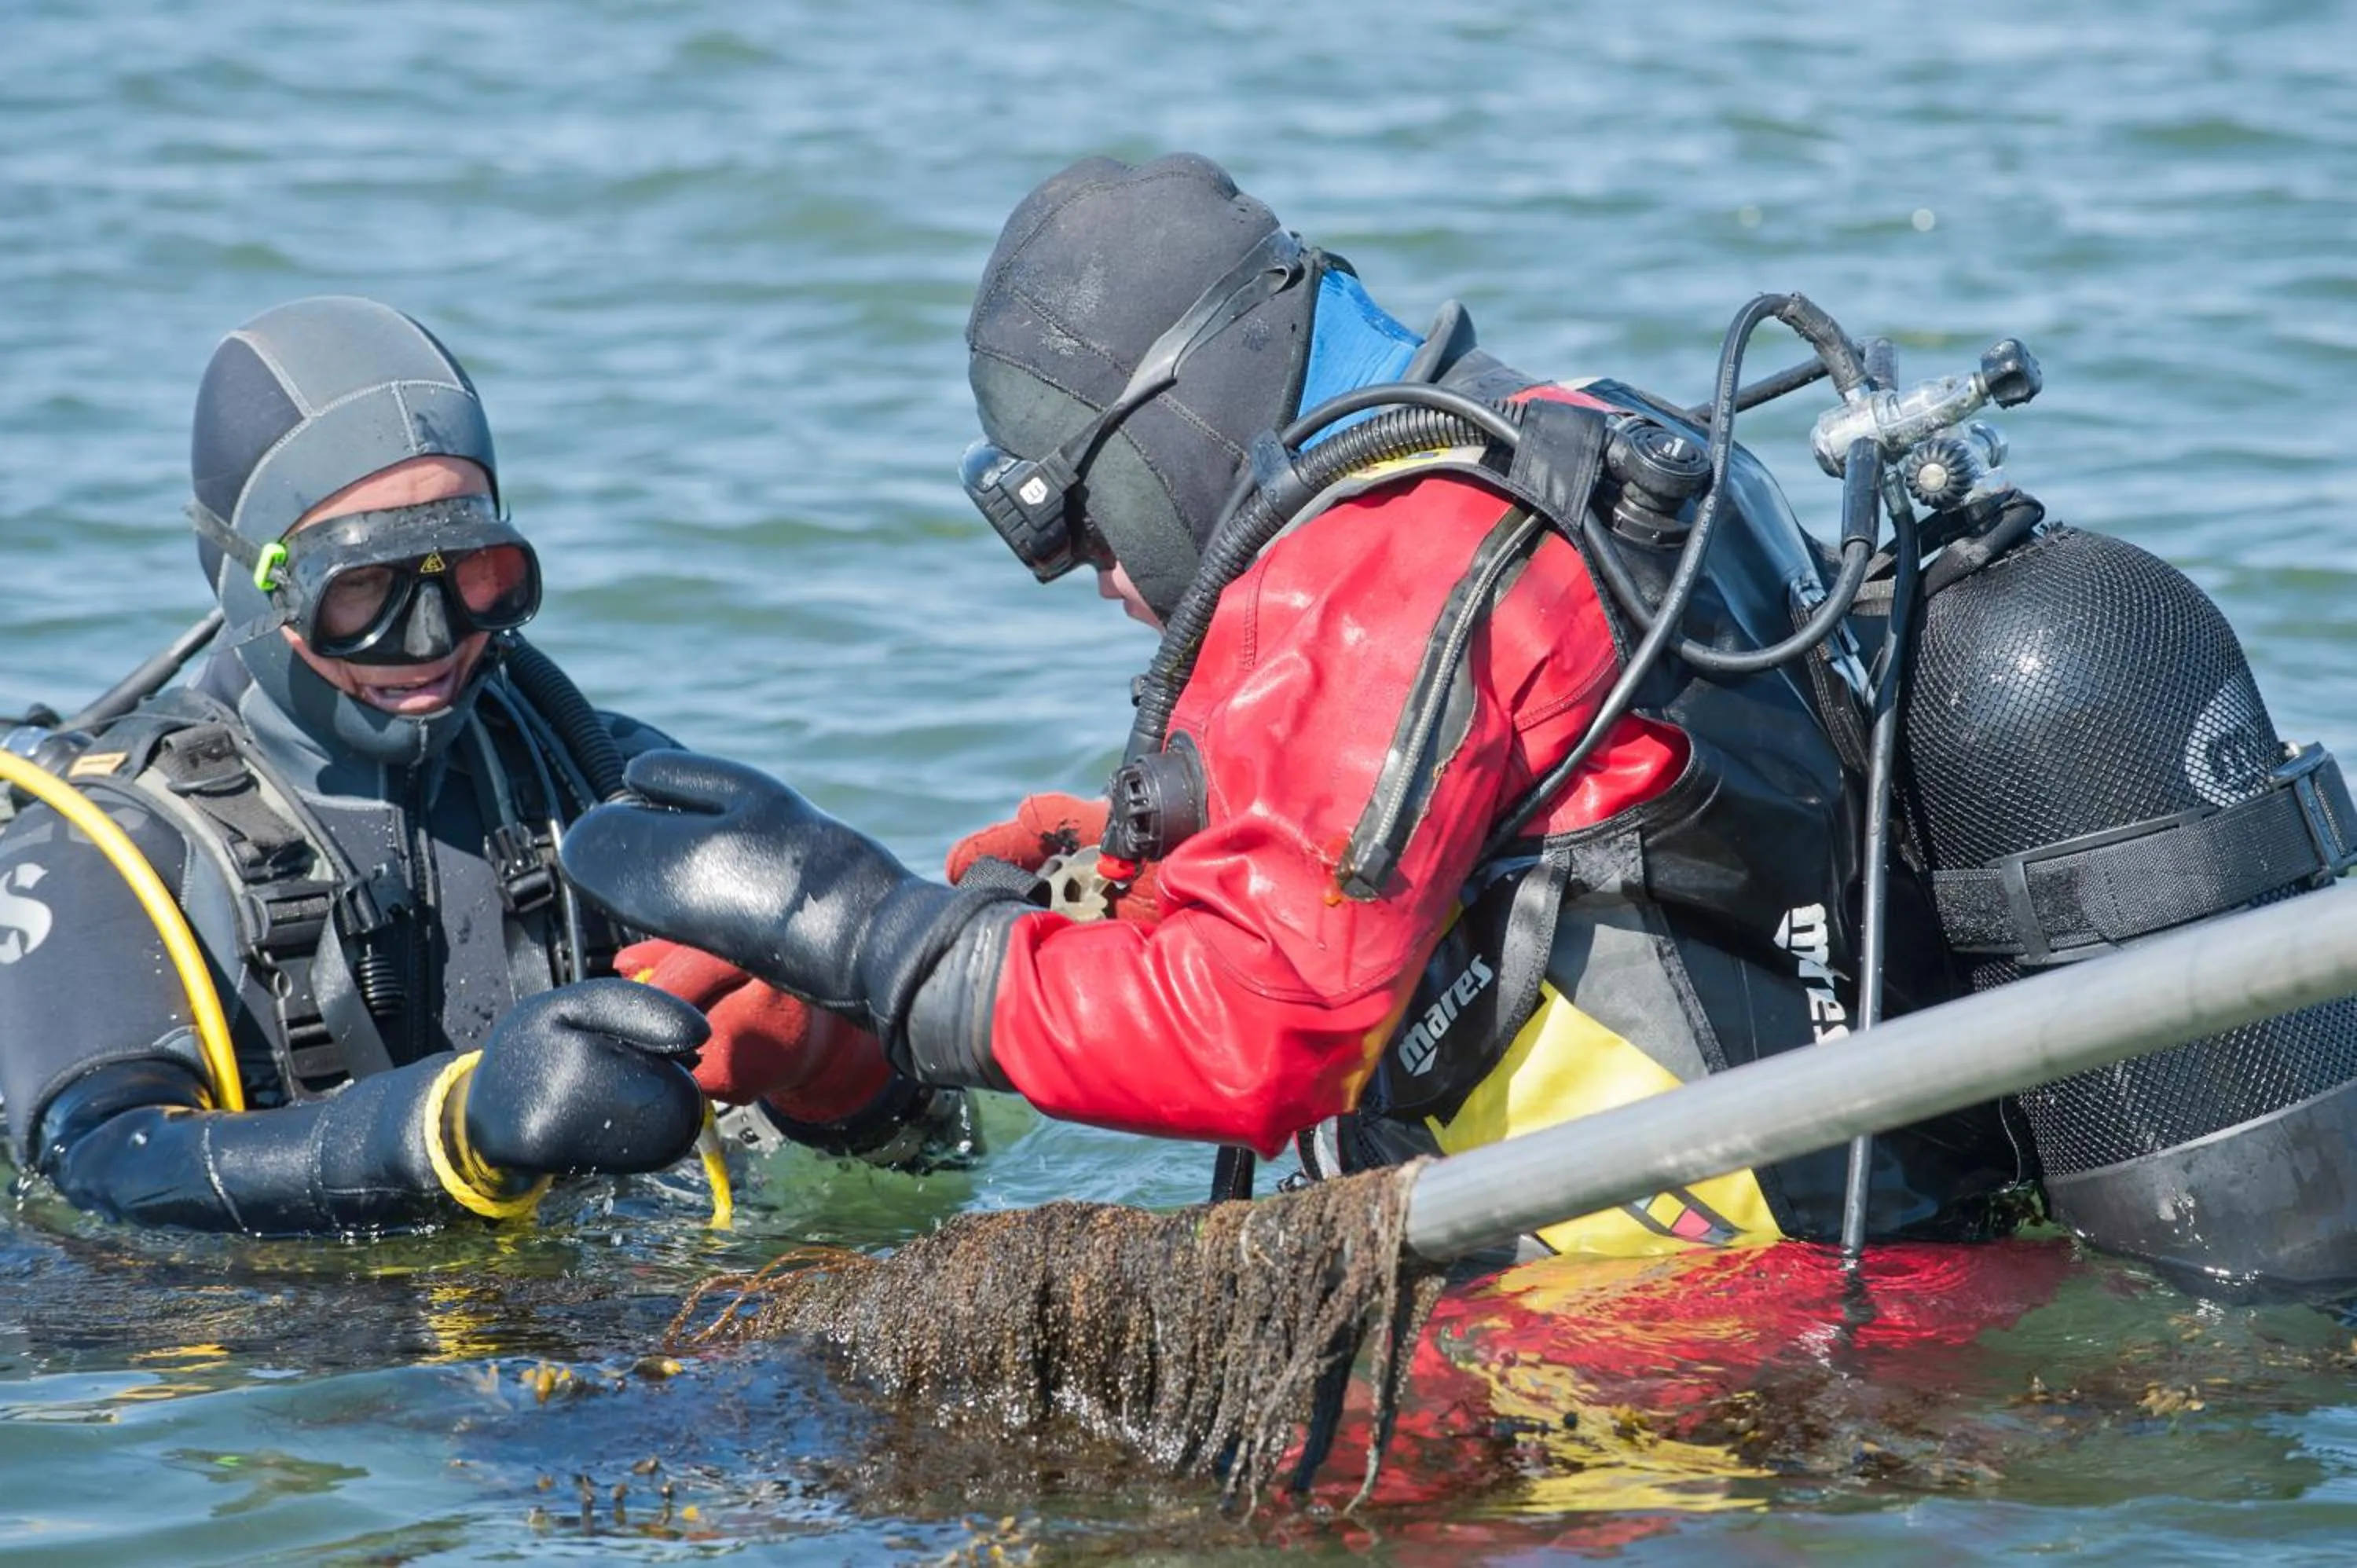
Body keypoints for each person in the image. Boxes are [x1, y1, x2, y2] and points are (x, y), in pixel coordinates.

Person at [559, 154, 2032, 1257]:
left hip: (1703, 1339)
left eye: (1078, 517)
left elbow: (1254, 1036)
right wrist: (1122, 878)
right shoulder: (1564, 429)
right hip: (1868, 1227)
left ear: (1161, 427)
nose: (1093, 576)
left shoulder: (1388, 560)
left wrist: (869, 935)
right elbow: (1516, 839)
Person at [0, 295, 957, 1236]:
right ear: (255, 580)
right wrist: (452, 1132)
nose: (429, 640)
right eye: (362, 588)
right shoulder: (101, 849)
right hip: (272, 1358)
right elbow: (103, 1168)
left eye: (472, 574)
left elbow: (937, 1158)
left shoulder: (598, 783)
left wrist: (836, 1068)